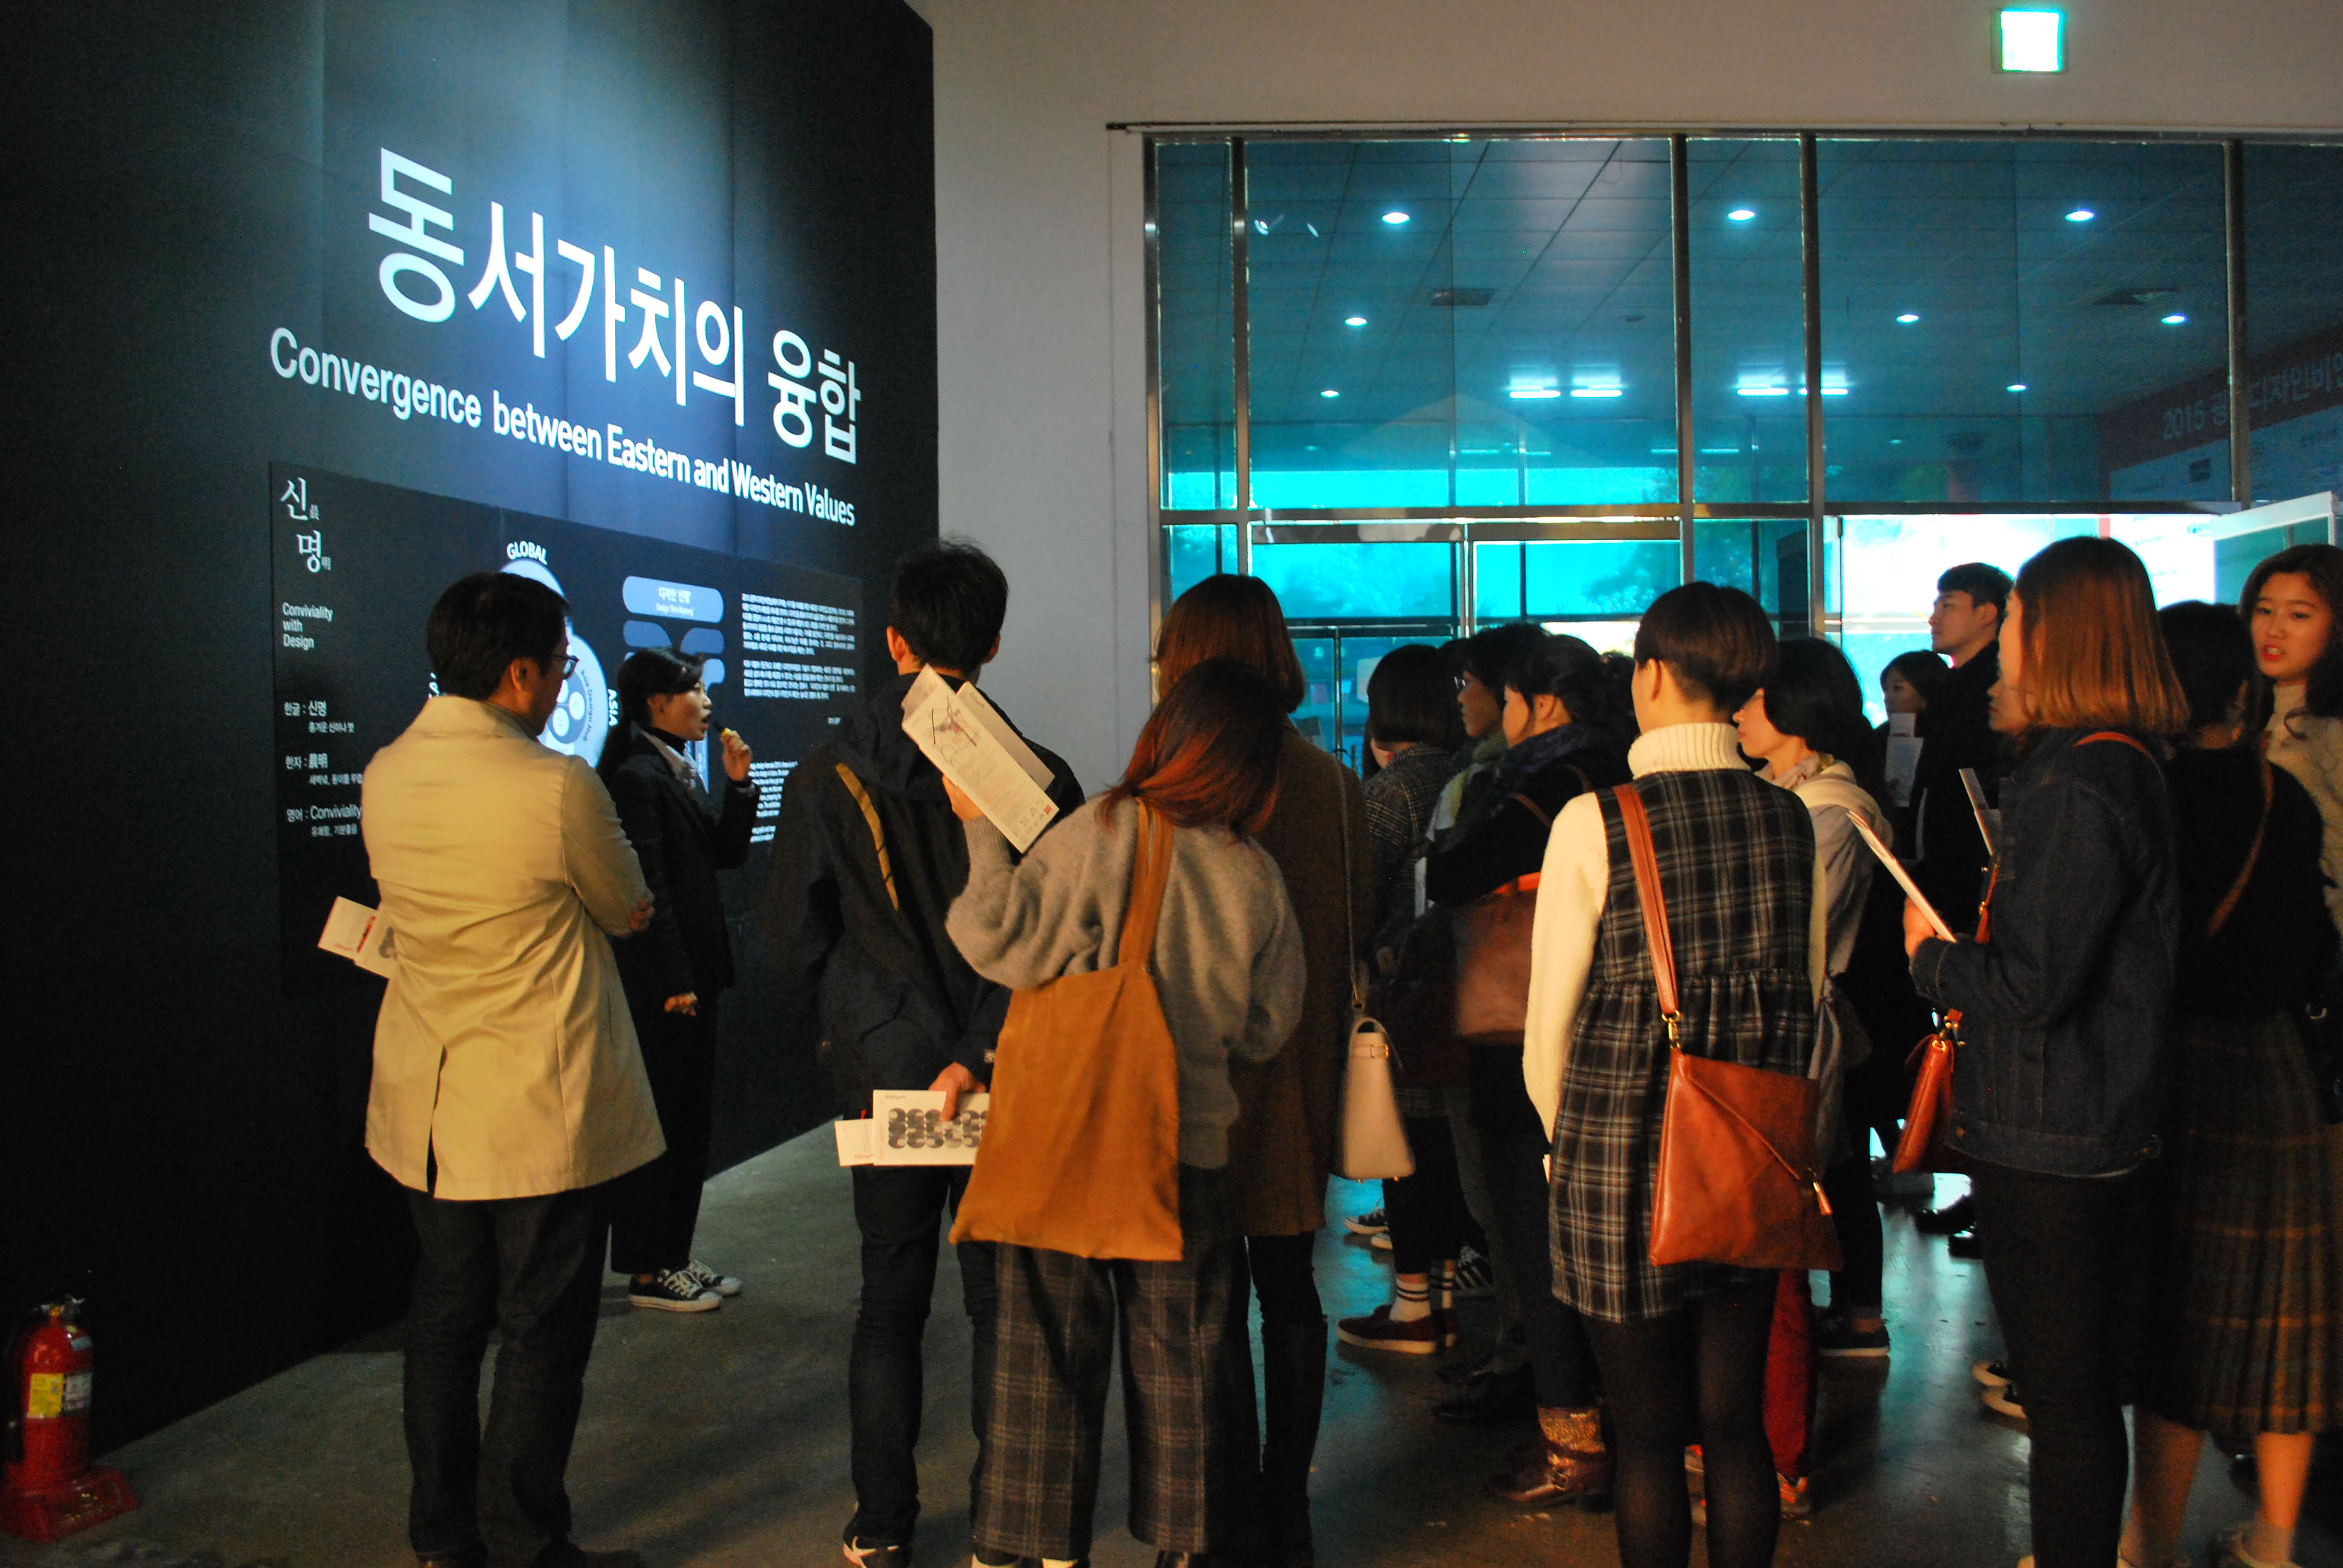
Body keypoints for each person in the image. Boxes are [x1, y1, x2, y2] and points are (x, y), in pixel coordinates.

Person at [946, 656, 1308, 1568]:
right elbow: (1269, 1027)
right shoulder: (1255, 874)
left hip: (1072, 1140)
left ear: (1167, 738)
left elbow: (997, 940)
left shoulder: (1103, 831)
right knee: (1188, 1363)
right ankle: (1189, 1548)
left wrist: (980, 827)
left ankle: (1041, 1548)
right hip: (1188, 1156)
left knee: (1044, 1357)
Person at [762, 541, 1084, 1568]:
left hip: (887, 1071)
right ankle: (1003, 1530)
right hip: (1004, 1066)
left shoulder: (826, 774)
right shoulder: (1040, 777)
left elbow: (793, 937)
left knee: (888, 1298)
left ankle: (882, 1525)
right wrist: (981, 1045)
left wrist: (853, 1038)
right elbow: (1061, 936)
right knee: (1002, 1304)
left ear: (896, 642)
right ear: (993, 643)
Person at [1525, 583, 1828, 1568]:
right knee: (1733, 1426)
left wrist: (1561, 1147)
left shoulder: (1596, 820)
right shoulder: (1790, 819)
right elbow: (1808, 1007)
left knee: (1649, 1436)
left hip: (1618, 1161)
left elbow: (1546, 1031)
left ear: (1651, 674)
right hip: (1747, 1150)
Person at [362, 570, 661, 1568]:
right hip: (539, 1107)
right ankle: (525, 1540)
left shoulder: (385, 772)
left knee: (444, 1322)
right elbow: (626, 906)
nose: (563, 686)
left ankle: (443, 1536)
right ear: (522, 674)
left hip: (428, 1107)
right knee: (540, 1330)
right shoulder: (555, 786)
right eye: (563, 669)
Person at [1900, 536, 2186, 1568]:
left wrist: (1931, 958)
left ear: (2057, 634)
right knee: (2076, 1392)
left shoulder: (2076, 781)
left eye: (2016, 617)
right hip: (2093, 1117)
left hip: (2052, 1132)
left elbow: (2033, 987)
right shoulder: (2124, 761)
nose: (2004, 639)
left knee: (2063, 1399)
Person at [1148, 574, 1373, 1568]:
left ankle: (1217, 1510)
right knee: (1288, 1285)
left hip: (1192, 1070)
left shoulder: (1177, 783)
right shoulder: (1331, 782)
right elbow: (1361, 922)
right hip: (1297, 1065)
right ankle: (1288, 1508)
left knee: (1200, 1300)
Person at [2125, 602, 2340, 1568]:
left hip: (2185, 1072)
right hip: (2280, 1068)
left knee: (2184, 1329)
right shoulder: (2280, 793)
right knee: (2289, 1326)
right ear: (2241, 693)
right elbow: (2315, 945)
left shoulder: (2151, 797)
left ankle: (2151, 1544)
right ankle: (2274, 1543)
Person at [1421, 635, 1632, 1493]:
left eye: (1506, 699)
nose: (1497, 714)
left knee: (1535, 1237)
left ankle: (1571, 1436)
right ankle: (1603, 1415)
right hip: (1609, 1033)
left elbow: (1458, 872)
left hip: (1525, 1031)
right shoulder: (1619, 771)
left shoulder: (1549, 785)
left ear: (1541, 703)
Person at [1732, 637, 1892, 1520]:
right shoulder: (1791, 798)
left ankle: (1780, 1455)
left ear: (1796, 712)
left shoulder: (1833, 812)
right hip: (1777, 1035)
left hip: (1790, 1042)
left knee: (1778, 1246)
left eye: (1754, 700)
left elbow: (1791, 936)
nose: (1738, 713)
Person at [597, 649, 758, 1312]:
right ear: (656, 703)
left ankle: (672, 1254)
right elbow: (649, 888)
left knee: (689, 1121)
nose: (707, 701)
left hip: (693, 977)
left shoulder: (674, 770)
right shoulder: (637, 777)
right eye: (694, 689)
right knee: (664, 1123)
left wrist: (739, 786)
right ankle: (647, 1268)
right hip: (670, 986)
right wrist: (672, 978)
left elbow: (724, 853)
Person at [2247, 543, 2343, 939]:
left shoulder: (2331, 729)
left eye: (2299, 615)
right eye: (2264, 610)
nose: (2274, 630)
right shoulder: (2253, 714)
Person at [1911, 562, 2013, 928]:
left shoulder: (1993, 685)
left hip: (1970, 865)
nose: (1934, 618)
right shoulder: (1953, 685)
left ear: (1986, 613)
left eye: (1948, 606)